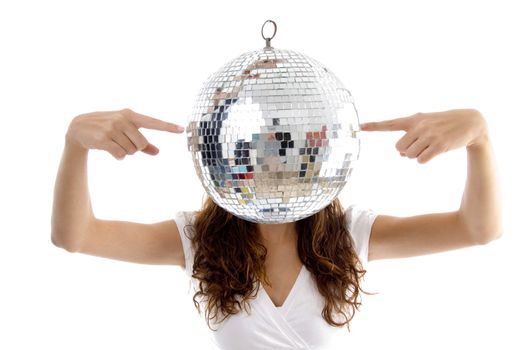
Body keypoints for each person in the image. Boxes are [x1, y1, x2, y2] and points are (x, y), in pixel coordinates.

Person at [51, 107, 502, 349]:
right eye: (256, 150)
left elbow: (476, 229)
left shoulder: (349, 234)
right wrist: (75, 142)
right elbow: (77, 236)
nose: (274, 164)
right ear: (229, 160)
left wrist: (479, 136)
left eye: (288, 149)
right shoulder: (199, 239)